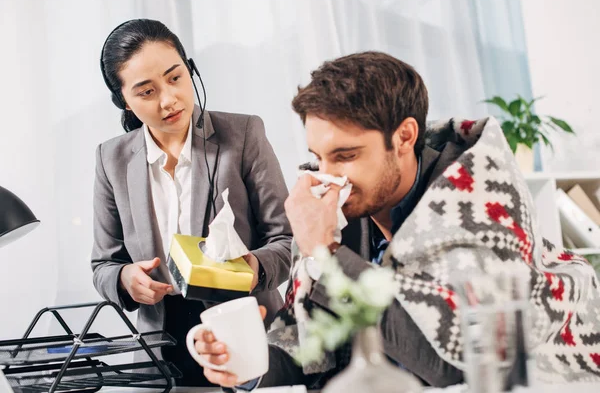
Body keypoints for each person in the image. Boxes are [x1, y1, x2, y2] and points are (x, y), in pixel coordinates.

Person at [192, 51, 600, 390]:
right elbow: (318, 349)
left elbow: (453, 368)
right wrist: (247, 365)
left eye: (346, 156)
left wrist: (327, 253)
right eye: (319, 157)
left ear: (404, 137)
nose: (328, 175)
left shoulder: (478, 201)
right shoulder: (338, 205)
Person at [91, 19, 292, 387]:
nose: (168, 100)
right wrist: (125, 279)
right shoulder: (111, 159)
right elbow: (103, 263)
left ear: (191, 70)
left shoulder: (244, 135)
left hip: (248, 338)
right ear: (124, 100)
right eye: (146, 92)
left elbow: (289, 240)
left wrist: (253, 268)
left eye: (175, 78)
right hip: (163, 351)